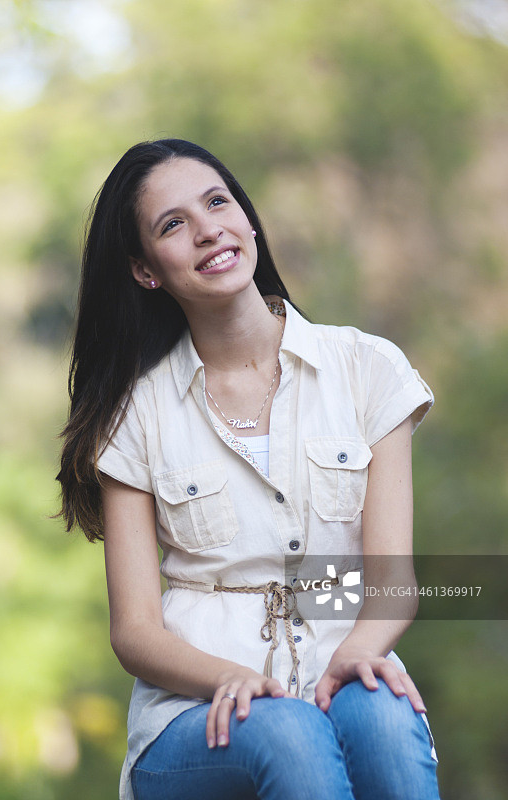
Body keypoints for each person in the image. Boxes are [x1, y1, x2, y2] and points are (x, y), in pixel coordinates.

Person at [57, 138, 441, 800]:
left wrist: (358, 649)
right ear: (146, 270)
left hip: (338, 665)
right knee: (287, 732)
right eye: (172, 225)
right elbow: (136, 633)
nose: (208, 229)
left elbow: (390, 579)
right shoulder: (134, 415)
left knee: (380, 716)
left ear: (247, 217)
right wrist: (228, 679)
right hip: (193, 714)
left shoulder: (366, 370)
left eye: (217, 202)